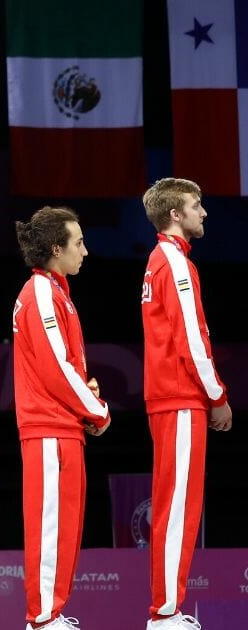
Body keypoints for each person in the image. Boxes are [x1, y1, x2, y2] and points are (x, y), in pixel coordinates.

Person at [12, 207, 111, 630]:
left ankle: (50, 614)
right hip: (49, 427)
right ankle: (42, 618)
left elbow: (67, 365)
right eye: (79, 243)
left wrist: (84, 397)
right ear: (57, 248)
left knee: (65, 527)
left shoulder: (58, 291)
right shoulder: (39, 292)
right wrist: (98, 411)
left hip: (64, 426)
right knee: (50, 527)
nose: (86, 251)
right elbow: (55, 367)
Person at [140, 178, 232, 630]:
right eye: (198, 205)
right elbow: (191, 337)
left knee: (175, 503)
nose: (205, 213)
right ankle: (165, 612)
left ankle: (166, 609)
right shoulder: (173, 261)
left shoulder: (166, 259)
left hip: (173, 396)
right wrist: (217, 395)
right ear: (175, 214)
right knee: (177, 505)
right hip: (180, 396)